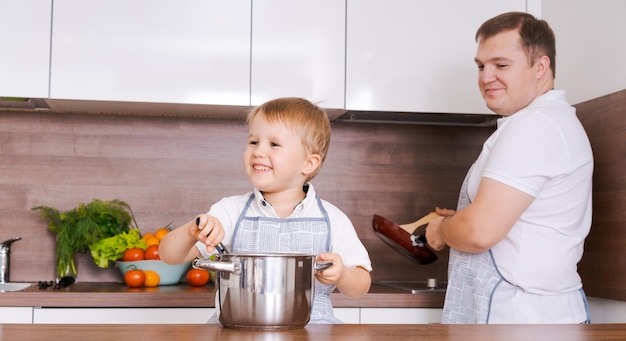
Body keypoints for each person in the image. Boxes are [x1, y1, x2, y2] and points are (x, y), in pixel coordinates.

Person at [425, 12, 593, 324]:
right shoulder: (540, 122)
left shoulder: (535, 126)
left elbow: (478, 232)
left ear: (540, 66)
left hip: (525, 320)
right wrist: (460, 219)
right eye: (480, 66)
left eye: (501, 65)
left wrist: (442, 231)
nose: (486, 77)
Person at [159, 97, 372, 324]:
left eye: (274, 144)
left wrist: (343, 275)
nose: (258, 151)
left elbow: (361, 285)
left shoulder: (332, 219)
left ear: (308, 163)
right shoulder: (230, 211)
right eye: (253, 142)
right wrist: (192, 231)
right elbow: (168, 255)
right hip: (239, 330)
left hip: (313, 333)